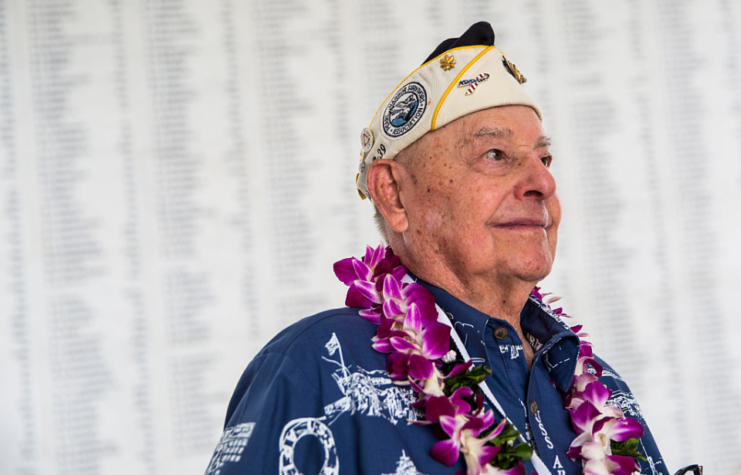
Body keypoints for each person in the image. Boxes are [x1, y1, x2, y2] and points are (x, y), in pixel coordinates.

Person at [204, 22, 670, 475]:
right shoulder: (319, 364)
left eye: (544, 159)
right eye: (495, 155)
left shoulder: (596, 385)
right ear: (394, 195)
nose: (544, 182)